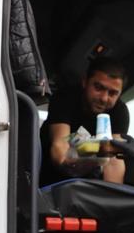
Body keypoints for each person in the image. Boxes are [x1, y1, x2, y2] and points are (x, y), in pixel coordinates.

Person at [40, 57, 129, 185]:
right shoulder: (65, 98)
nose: (104, 98)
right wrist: (81, 161)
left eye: (113, 93)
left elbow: (115, 160)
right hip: (45, 172)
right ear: (85, 82)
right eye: (98, 87)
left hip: (84, 181)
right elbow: (60, 147)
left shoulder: (119, 112)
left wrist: (113, 199)